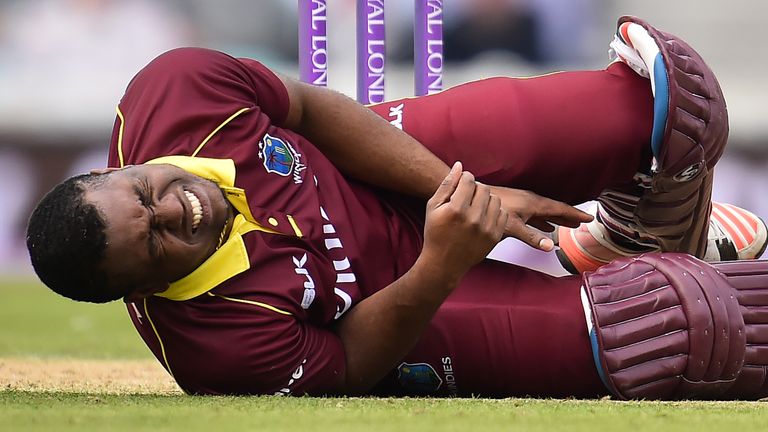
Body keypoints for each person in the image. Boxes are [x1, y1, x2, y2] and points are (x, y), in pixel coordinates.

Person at [26, 16, 768, 399]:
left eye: (144, 192)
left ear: (114, 167)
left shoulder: (172, 91)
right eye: (155, 242)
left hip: (378, 167)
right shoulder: (215, 352)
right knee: (665, 330)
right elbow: (347, 365)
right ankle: (646, 267)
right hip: (401, 304)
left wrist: (454, 187)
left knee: (669, 112)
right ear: (141, 292)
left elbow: (313, 110)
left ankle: (626, 239)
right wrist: (440, 263)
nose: (176, 211)